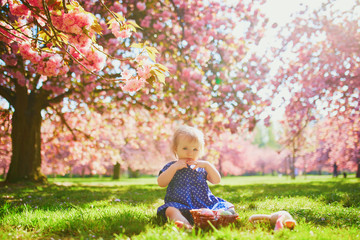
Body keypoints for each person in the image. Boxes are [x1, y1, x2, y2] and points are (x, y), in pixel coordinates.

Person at [157, 125, 233, 229]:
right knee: (170, 210)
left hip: (205, 205)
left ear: (200, 150)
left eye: (195, 149)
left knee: (226, 207)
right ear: (176, 148)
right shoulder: (171, 166)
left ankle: (217, 218)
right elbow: (161, 183)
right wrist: (173, 168)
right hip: (181, 205)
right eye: (185, 148)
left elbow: (216, 180)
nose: (190, 152)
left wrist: (208, 165)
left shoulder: (201, 167)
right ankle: (184, 224)